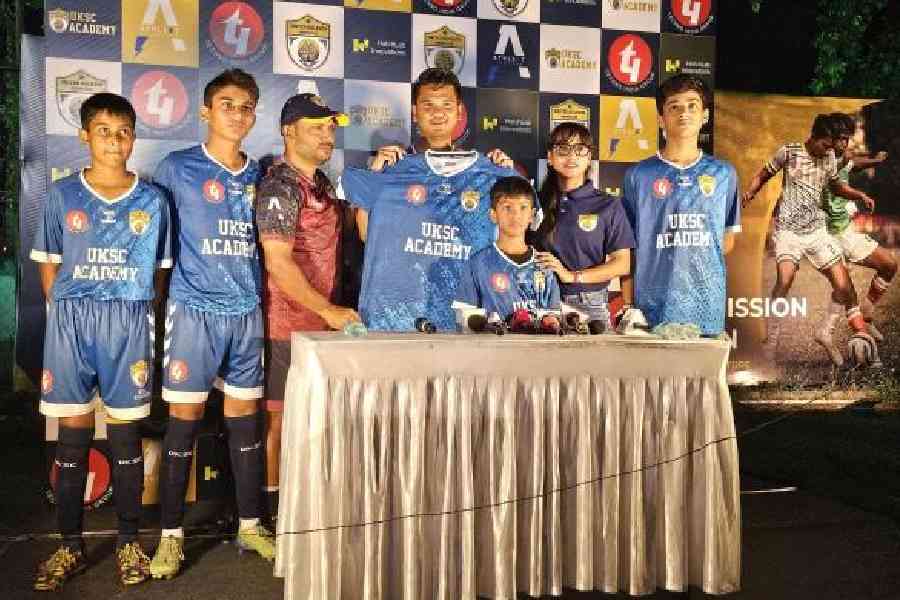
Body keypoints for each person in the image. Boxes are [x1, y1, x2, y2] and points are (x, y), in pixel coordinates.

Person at [30, 93, 171, 590]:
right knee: (72, 434)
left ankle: (129, 541)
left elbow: (159, 274)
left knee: (125, 434)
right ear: (85, 136)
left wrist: (132, 310)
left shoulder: (153, 201)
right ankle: (69, 544)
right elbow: (48, 264)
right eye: (104, 131)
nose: (114, 140)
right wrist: (69, 310)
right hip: (73, 322)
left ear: (134, 138)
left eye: (123, 131)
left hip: (127, 323)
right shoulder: (62, 195)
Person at [149, 68, 273, 579]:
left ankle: (250, 524)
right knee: (185, 420)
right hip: (193, 310)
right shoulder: (177, 167)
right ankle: (170, 536)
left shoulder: (262, 175)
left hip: (246, 311)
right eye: (227, 105)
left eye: (246, 107)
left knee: (245, 419)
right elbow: (154, 240)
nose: (237, 114)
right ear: (205, 111)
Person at [254, 93, 360, 521]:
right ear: (288, 131)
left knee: (313, 421)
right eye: (316, 127)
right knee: (279, 424)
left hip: (319, 325)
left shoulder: (322, 184)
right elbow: (278, 262)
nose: (327, 135)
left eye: (330, 127)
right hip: (285, 325)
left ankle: (305, 508)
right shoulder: (280, 185)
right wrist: (328, 310)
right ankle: (274, 516)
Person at [742, 113, 876, 364]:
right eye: (825, 145)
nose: (828, 150)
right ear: (813, 137)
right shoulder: (789, 152)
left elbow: (836, 187)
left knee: (844, 285)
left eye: (830, 146)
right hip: (788, 232)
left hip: (816, 232)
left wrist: (859, 194)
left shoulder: (829, 158)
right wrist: (750, 192)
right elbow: (763, 175)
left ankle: (833, 332)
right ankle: (770, 342)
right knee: (785, 279)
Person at [620, 74, 740, 336]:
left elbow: (727, 240)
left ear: (705, 115)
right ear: (661, 118)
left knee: (703, 365)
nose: (684, 113)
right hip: (653, 311)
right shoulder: (638, 175)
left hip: (707, 308)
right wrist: (628, 305)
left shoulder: (724, 174)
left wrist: (690, 254)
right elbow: (626, 249)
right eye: (674, 107)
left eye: (692, 106)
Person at [358, 67, 516, 242]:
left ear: (459, 111)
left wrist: (508, 182)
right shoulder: (393, 167)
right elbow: (367, 235)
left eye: (446, 105)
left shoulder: (481, 172)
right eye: (428, 105)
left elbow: (508, 234)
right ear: (414, 113)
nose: (438, 113)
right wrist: (373, 176)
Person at [529, 122, 635, 328]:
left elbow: (622, 264)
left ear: (589, 158)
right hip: (538, 302)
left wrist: (572, 276)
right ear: (550, 157)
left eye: (579, 149)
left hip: (588, 305)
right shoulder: (534, 201)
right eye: (563, 149)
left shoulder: (608, 205)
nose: (571, 156)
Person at [820, 112, 895, 358]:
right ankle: (860, 332)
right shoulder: (824, 161)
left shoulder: (840, 157)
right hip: (834, 234)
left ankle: (838, 326)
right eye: (840, 138)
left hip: (843, 229)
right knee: (848, 287)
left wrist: (875, 160)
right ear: (829, 138)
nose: (845, 143)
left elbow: (853, 163)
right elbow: (844, 172)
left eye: (847, 138)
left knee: (887, 266)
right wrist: (859, 196)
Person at [456, 176, 560, 319]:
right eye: (507, 207)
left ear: (532, 215)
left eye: (523, 207)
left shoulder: (544, 264)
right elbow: (465, 318)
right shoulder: (477, 264)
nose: (515, 215)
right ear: (493, 215)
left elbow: (554, 317)